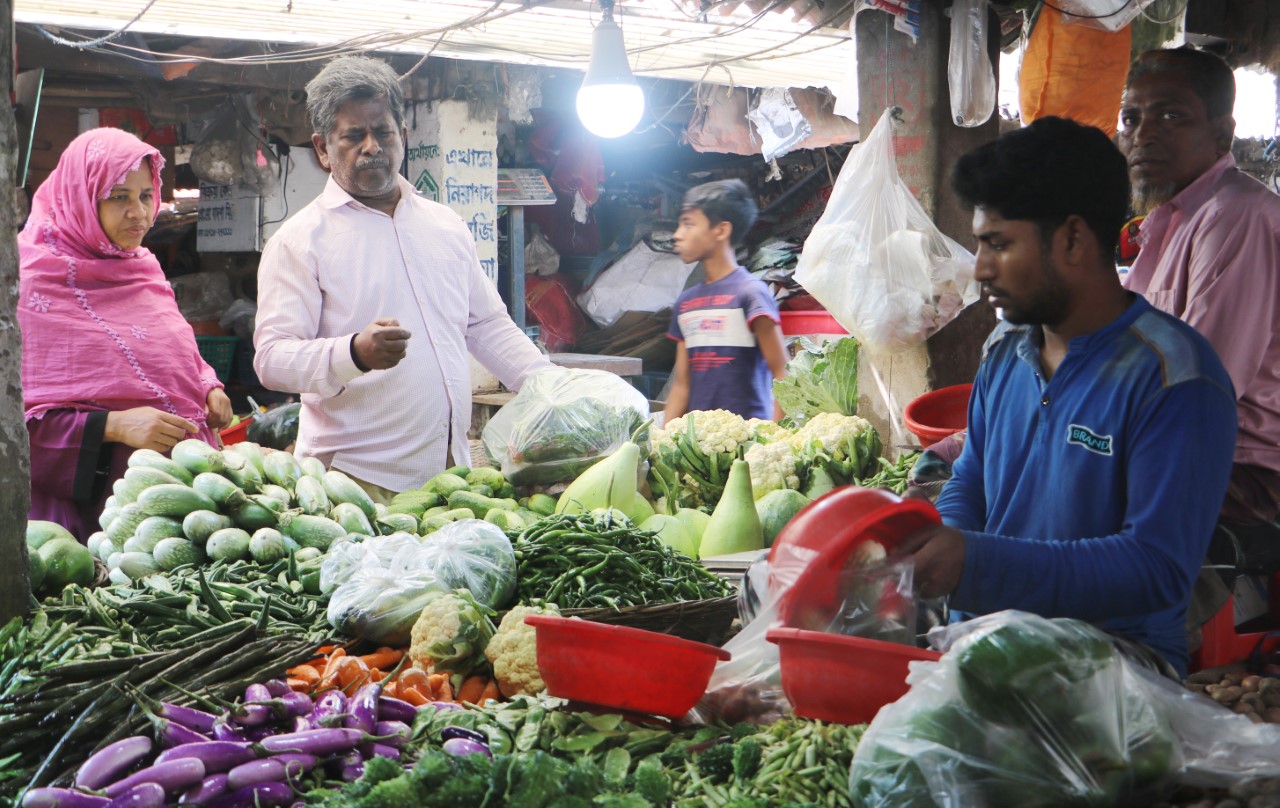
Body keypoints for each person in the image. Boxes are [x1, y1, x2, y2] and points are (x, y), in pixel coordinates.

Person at [897, 116, 1238, 677]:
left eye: (998, 244)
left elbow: (1155, 567)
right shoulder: (1005, 347)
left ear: (1074, 239)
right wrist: (943, 539)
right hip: (982, 641)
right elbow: (972, 478)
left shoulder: (1175, 379)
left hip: (1110, 667)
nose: (980, 268)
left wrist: (975, 562)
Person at [253, 56, 552, 501]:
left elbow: (485, 324)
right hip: (355, 483)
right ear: (322, 149)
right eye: (353, 136)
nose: (372, 147)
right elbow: (272, 359)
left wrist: (551, 387)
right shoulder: (299, 242)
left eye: (384, 132)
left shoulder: (445, 225)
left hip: (451, 474)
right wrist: (353, 353)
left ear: (404, 136)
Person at [1117, 47, 1280, 618]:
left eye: (1171, 116)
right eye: (1131, 117)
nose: (1143, 135)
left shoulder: (1238, 215)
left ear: (1222, 133)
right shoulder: (1170, 219)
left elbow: (1200, 393)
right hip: (1184, 445)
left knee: (1070, 508)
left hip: (1245, 469)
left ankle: (1133, 649)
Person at [19, 128, 231, 541]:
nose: (139, 213)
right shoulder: (30, 283)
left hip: (179, 502)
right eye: (119, 197)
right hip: (95, 515)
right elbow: (17, 420)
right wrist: (113, 426)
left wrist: (209, 386)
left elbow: (175, 351)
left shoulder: (142, 268)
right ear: (80, 198)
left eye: (146, 195)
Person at [663, 179, 788, 422]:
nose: (677, 235)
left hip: (750, 439)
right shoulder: (686, 303)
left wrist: (774, 435)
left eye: (688, 224)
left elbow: (783, 374)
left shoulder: (751, 294)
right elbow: (681, 385)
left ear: (721, 230)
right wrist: (662, 437)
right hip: (698, 440)